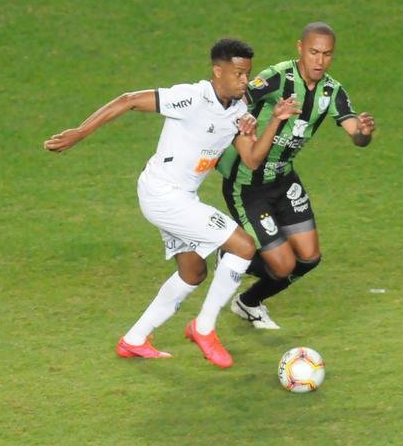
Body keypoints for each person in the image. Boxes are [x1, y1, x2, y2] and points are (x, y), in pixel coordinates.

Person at [44, 38, 299, 367]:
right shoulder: (191, 97)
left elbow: (251, 159)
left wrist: (275, 120)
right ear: (217, 71)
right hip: (162, 194)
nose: (244, 81)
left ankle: (134, 340)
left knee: (193, 272)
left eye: (247, 73)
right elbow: (128, 100)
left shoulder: (238, 111)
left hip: (180, 197)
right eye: (237, 73)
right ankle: (204, 328)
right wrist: (80, 132)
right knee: (244, 247)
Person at [215, 22, 376, 330]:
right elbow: (237, 98)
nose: (319, 60)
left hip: (283, 179)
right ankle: (230, 254)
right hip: (248, 183)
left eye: (326, 54)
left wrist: (364, 133)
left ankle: (248, 302)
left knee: (309, 258)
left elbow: (356, 134)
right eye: (313, 52)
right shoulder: (278, 76)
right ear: (300, 48)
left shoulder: (331, 91)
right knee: (282, 265)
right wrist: (243, 124)